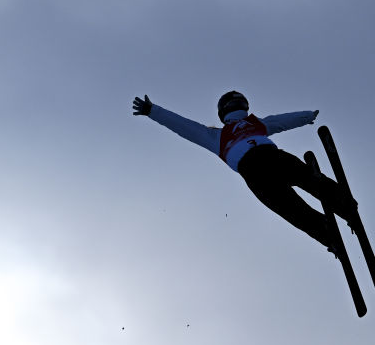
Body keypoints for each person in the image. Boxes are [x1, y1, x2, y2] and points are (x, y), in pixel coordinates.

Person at [132, 91, 357, 253]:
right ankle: (340, 208)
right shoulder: (248, 126)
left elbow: (185, 127)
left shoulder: (217, 135)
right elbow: (281, 121)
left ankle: (328, 231)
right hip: (269, 159)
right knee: (302, 184)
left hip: (254, 171)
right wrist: (307, 116)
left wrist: (153, 111)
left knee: (291, 206)